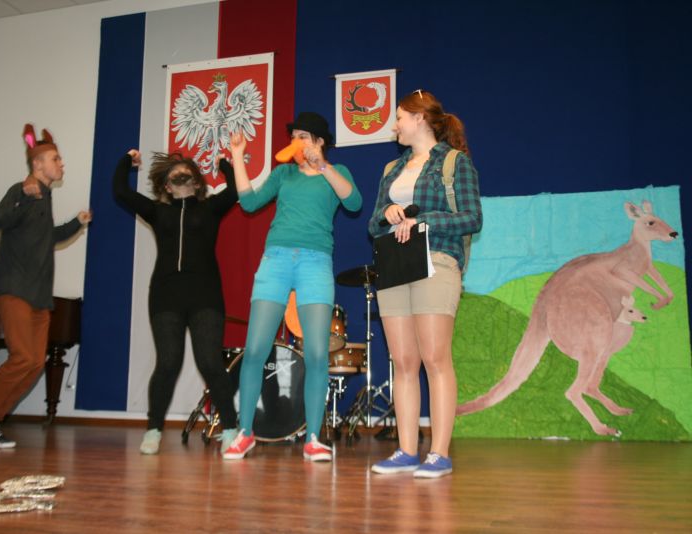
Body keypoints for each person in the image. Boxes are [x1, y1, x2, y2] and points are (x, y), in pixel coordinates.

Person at [222, 112, 362, 461]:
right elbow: (249, 202)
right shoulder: (284, 174)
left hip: (316, 262)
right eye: (293, 136)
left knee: (316, 354)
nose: (295, 142)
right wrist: (238, 156)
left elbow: (354, 203)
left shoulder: (337, 172)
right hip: (277, 260)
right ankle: (245, 433)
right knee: (255, 349)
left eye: (303, 136)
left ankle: (313, 438)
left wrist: (322, 166)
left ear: (319, 141)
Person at [368, 90, 482, 478]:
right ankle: (405, 450)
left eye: (399, 117)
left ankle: (439, 453)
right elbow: (373, 225)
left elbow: (472, 217)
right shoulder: (391, 168)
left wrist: (423, 221)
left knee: (435, 358)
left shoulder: (454, 162)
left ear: (419, 119)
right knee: (403, 362)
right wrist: (387, 212)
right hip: (394, 265)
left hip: (437, 260)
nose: (394, 126)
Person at [0, 124, 92, 449]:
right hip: (14, 288)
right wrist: (21, 197)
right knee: (22, 358)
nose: (62, 164)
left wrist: (77, 223)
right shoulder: (23, 189)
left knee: (33, 362)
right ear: (38, 164)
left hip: (38, 296)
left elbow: (48, 237)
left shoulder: (44, 196)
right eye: (56, 159)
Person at [112, 149, 239, 454]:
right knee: (168, 363)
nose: (181, 175)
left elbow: (235, 192)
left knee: (210, 362)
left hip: (205, 295)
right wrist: (127, 162)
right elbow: (120, 191)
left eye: (186, 172)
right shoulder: (158, 212)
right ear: (167, 186)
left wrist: (224, 165)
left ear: (196, 182)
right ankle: (153, 429)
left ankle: (231, 430)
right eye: (174, 174)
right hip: (166, 295)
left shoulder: (210, 209)